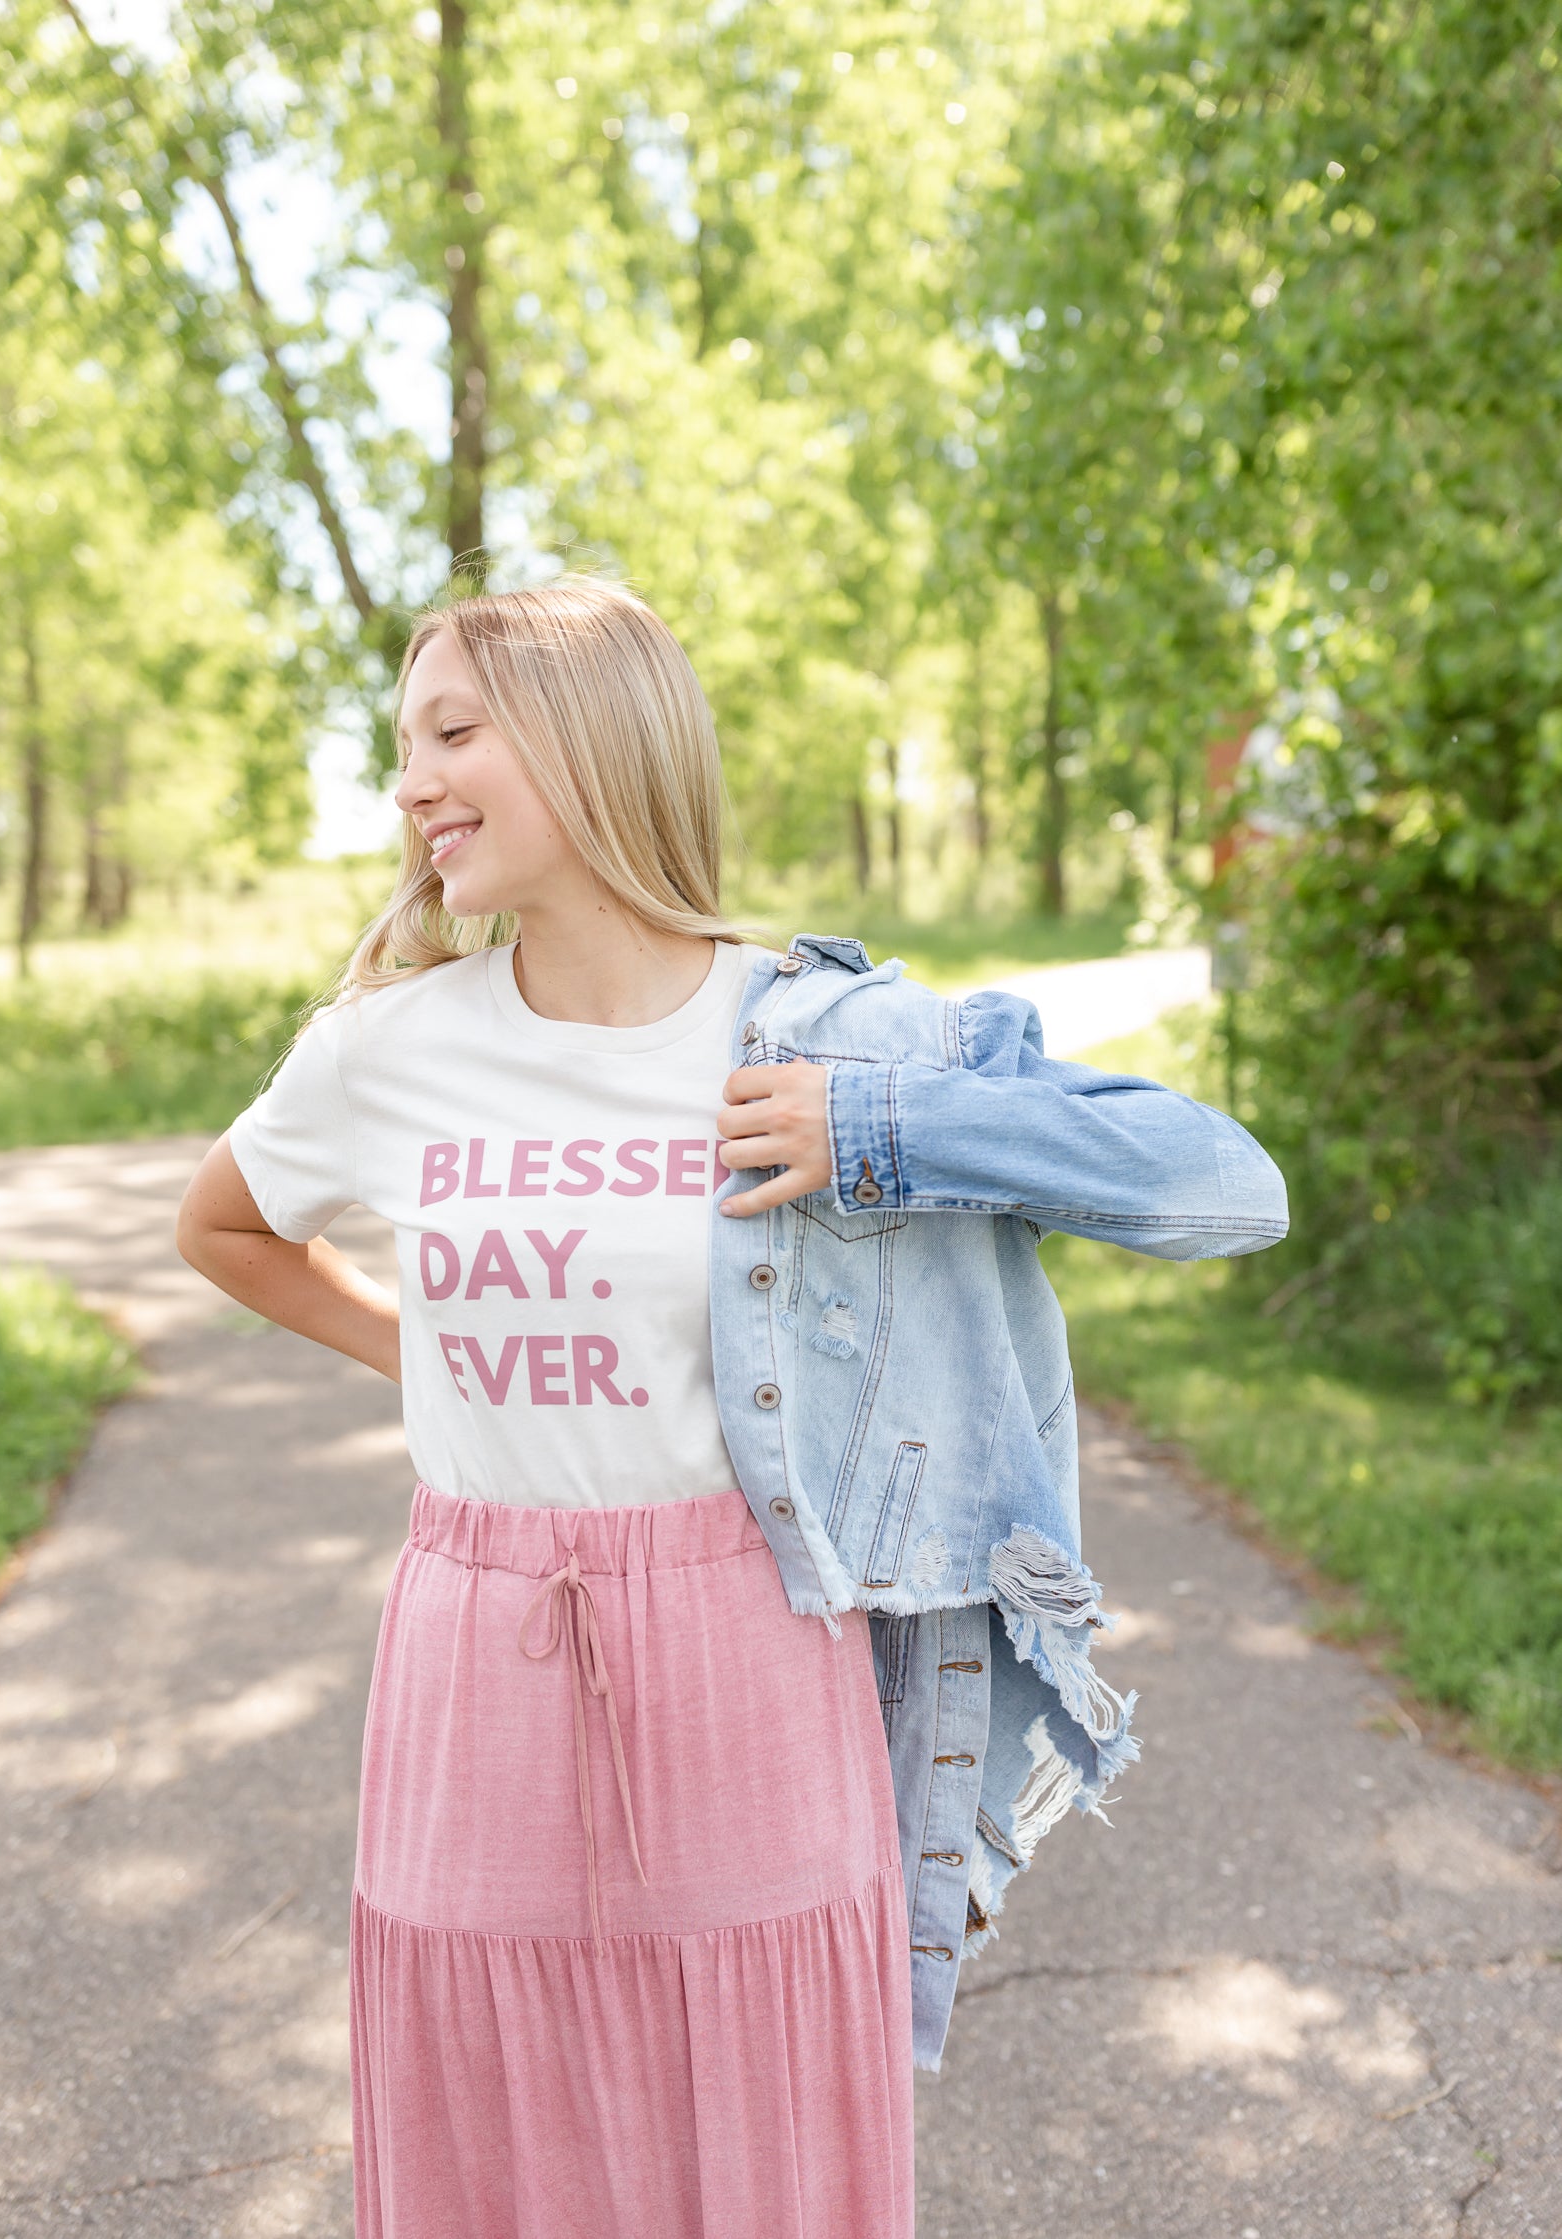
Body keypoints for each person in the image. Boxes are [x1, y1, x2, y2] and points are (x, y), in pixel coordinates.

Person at [177, 573, 1288, 2239]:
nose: (409, 782)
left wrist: (885, 1129)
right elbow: (226, 1226)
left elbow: (1224, 1190)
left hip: (748, 1632)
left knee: (759, 2131)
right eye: (401, 742)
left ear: (593, 741)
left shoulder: (823, 1032)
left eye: (452, 731)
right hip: (475, 1645)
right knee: (495, 2132)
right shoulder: (384, 1051)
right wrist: (450, 1362)